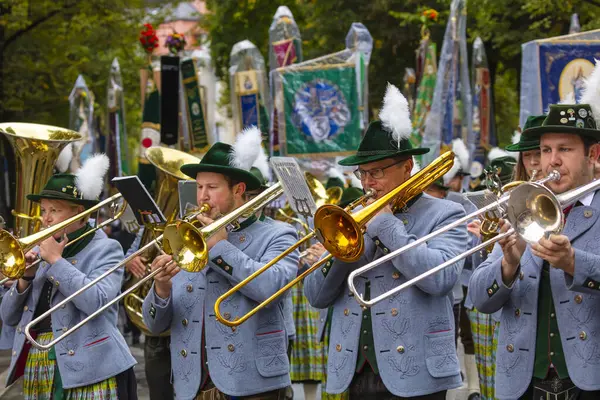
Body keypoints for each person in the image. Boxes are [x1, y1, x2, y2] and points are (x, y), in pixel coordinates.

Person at [305, 84, 468, 399]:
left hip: (417, 367)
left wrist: (385, 223)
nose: (367, 182)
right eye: (362, 173)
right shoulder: (352, 217)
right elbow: (316, 296)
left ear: (407, 167)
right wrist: (343, 247)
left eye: (377, 171)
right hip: (355, 367)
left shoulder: (447, 212)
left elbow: (440, 279)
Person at [142, 128, 298, 400]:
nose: (202, 196)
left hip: (253, 386)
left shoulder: (278, 234)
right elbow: (155, 326)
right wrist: (162, 288)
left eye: (212, 188)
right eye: (199, 187)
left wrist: (220, 248)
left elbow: (270, 290)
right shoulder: (186, 236)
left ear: (238, 190)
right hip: (192, 386)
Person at [469, 103, 600, 399]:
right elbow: (479, 299)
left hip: (591, 381)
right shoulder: (524, 204)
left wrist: (573, 263)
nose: (551, 161)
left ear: (593, 155)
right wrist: (508, 264)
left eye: (564, 150)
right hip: (524, 383)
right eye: (545, 150)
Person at [0, 154, 137, 400]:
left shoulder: (107, 249)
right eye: (44, 210)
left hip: (93, 367)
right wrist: (25, 278)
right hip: (40, 364)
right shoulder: (40, 249)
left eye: (55, 210)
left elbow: (98, 301)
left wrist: (56, 262)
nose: (46, 218)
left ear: (80, 214)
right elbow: (8, 317)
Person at [465, 116, 542, 400]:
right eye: (529, 155)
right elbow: (480, 297)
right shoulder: (514, 207)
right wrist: (507, 263)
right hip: (518, 352)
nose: (535, 163)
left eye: (542, 153)